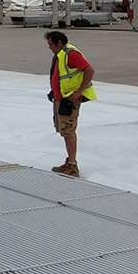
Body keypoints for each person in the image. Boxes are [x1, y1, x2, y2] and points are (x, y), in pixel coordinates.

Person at [46, 30, 96, 177]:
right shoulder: (60, 55)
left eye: (50, 44)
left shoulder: (71, 54)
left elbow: (89, 70)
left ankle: (72, 165)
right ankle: (70, 162)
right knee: (65, 131)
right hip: (61, 98)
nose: (49, 47)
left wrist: (79, 91)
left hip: (70, 99)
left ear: (59, 43)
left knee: (68, 131)